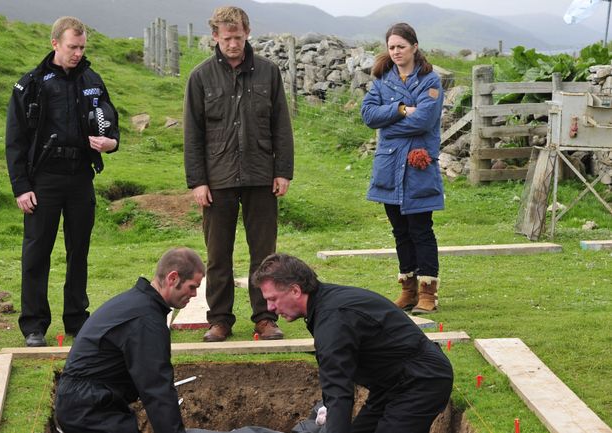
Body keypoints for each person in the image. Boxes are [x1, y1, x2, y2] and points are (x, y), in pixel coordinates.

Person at [5, 16, 120, 347]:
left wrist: (111, 143)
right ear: (55, 43)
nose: (78, 53)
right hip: (44, 179)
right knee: (37, 251)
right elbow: (14, 140)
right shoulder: (32, 84)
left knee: (79, 249)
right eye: (72, 47)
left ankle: (76, 319)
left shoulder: (92, 80)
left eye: (82, 47)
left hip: (81, 176)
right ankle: (34, 325)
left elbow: (111, 125)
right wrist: (21, 187)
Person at [183, 6, 294, 342]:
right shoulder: (200, 77)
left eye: (238, 36)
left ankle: (264, 317)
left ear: (248, 33)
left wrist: (283, 171)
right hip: (217, 180)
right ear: (215, 36)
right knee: (218, 255)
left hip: (262, 176)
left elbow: (281, 126)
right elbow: (193, 134)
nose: (233, 43)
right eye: (226, 37)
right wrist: (198, 181)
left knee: (265, 254)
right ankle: (219, 320)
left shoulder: (268, 73)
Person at [252, 253, 453, 433]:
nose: (271, 308)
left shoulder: (333, 320)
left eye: (273, 299)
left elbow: (339, 390)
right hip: (391, 384)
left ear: (295, 290)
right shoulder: (324, 305)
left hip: (422, 381)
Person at [54, 247, 204, 433]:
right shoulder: (146, 321)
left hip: (85, 402)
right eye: (193, 287)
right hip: (88, 411)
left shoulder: (137, 303)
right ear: (173, 278)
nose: (195, 295)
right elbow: (157, 389)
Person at [360, 23, 444, 315]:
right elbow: (368, 115)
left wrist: (391, 126)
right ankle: (407, 290)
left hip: (418, 166)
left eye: (401, 46)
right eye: (391, 47)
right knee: (399, 231)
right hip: (389, 166)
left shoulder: (430, 81)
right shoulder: (382, 79)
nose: (395, 52)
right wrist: (398, 109)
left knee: (421, 229)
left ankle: (427, 293)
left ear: (414, 47)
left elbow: (423, 121)